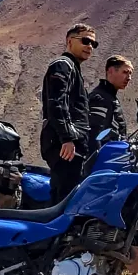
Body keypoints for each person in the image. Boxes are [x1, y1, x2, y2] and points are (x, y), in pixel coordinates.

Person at [40, 23, 97, 202]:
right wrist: (67, 138)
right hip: (64, 144)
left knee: (70, 193)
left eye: (93, 44)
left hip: (73, 143)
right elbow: (56, 103)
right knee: (64, 197)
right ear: (70, 41)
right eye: (86, 41)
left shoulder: (73, 68)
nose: (89, 46)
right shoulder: (62, 65)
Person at [89, 54, 132, 142]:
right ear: (110, 71)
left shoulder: (110, 97)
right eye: (125, 72)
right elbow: (95, 134)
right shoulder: (99, 98)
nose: (129, 78)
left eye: (130, 73)